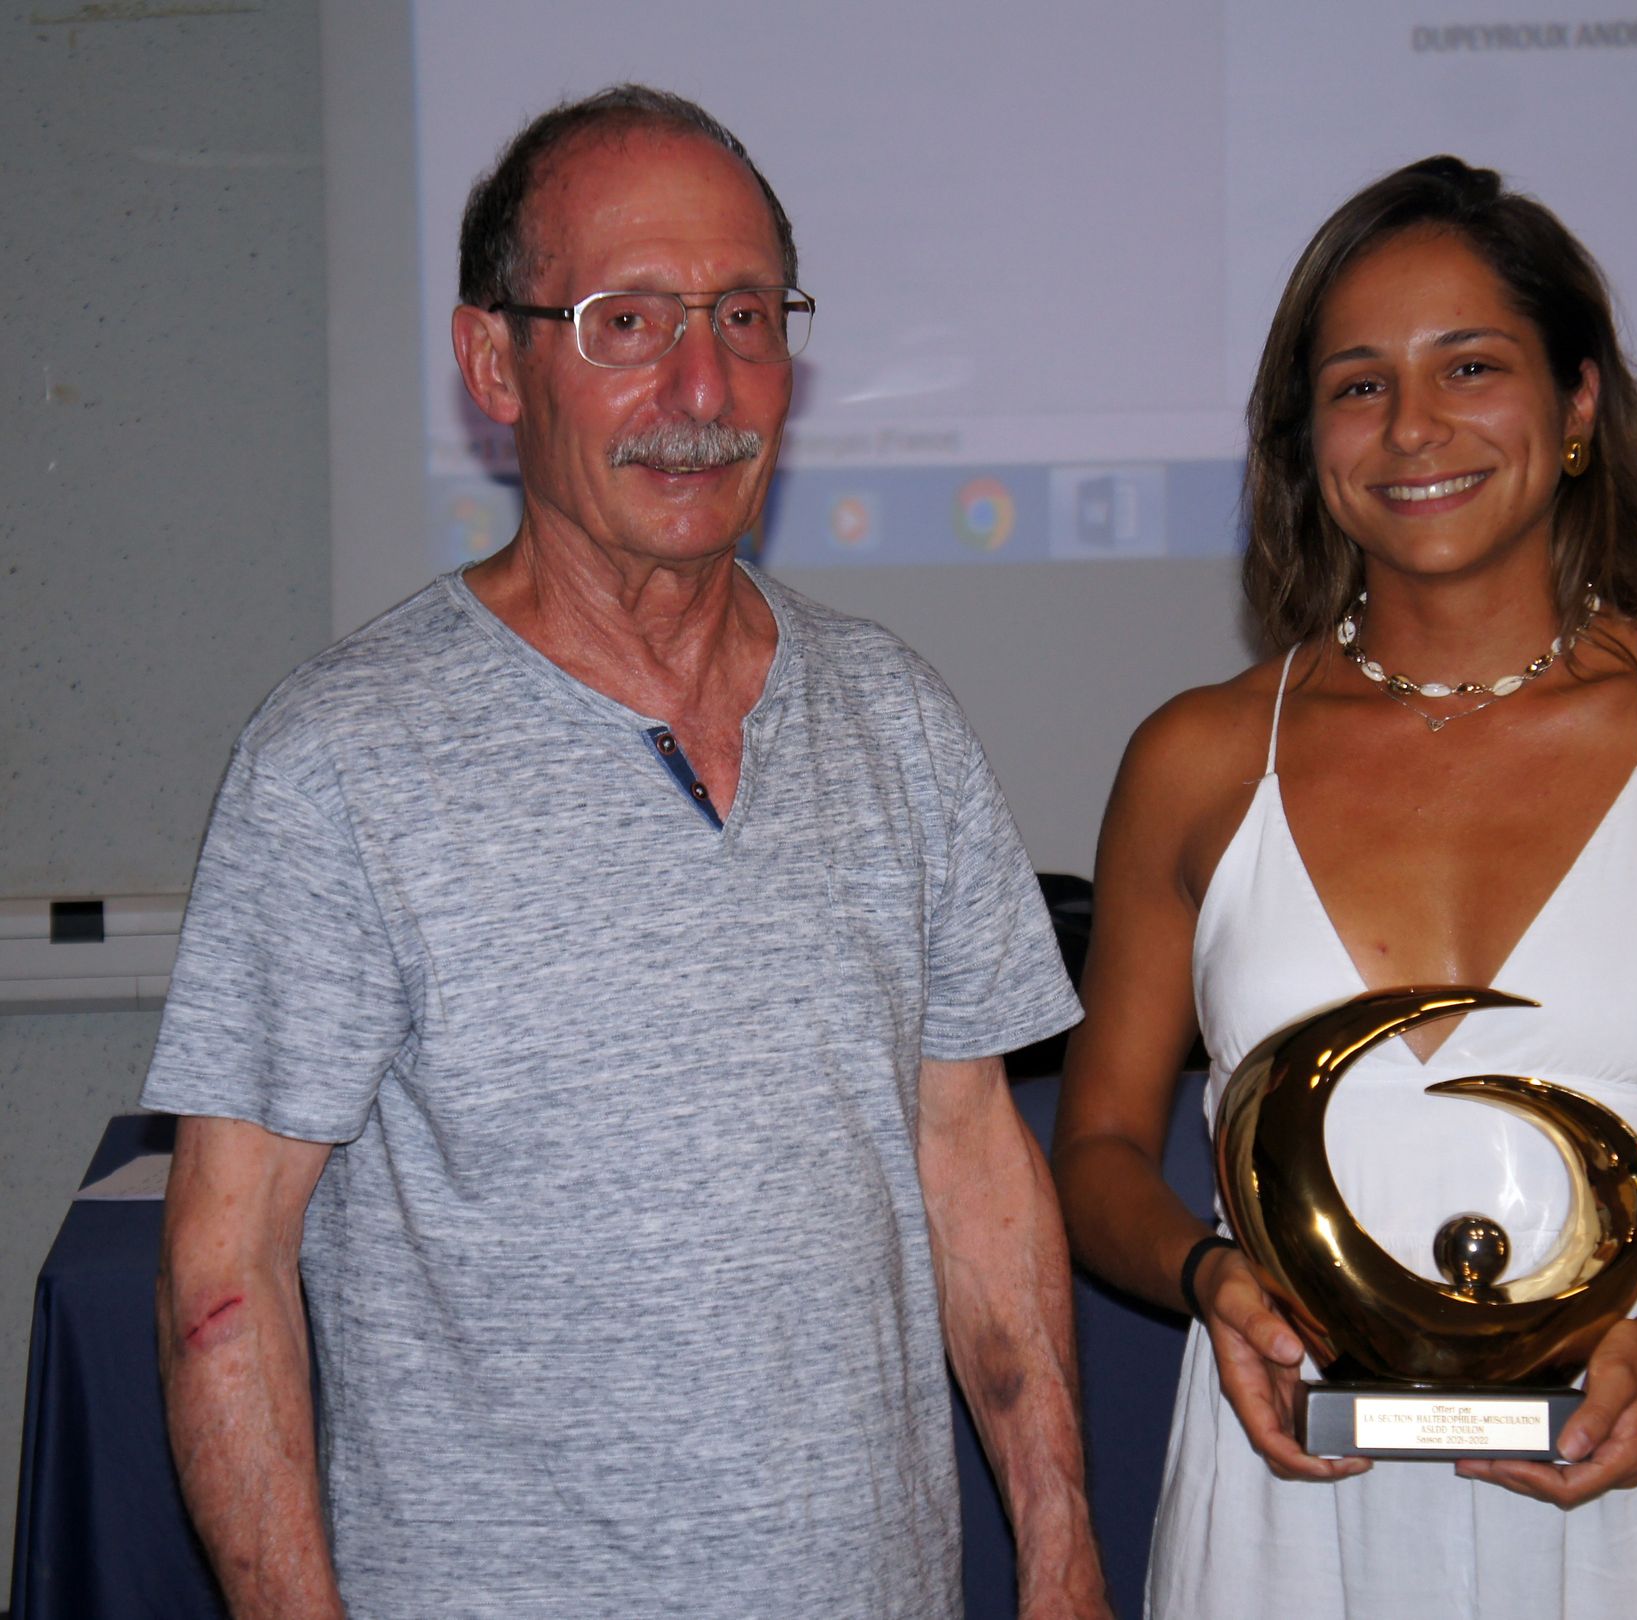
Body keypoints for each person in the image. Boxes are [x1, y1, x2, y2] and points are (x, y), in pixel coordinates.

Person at [145, 86, 1110, 1620]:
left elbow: (975, 1169)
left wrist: (1060, 1554)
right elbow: (225, 1268)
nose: (700, 385)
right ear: (494, 363)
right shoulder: (341, 764)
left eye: (744, 316)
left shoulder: (898, 722)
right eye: (626, 322)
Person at [1051, 155, 1637, 1618]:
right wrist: (1215, 1284)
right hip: (1288, 1499)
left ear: (1577, 405)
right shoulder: (1197, 759)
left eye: (1470, 366)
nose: (1414, 428)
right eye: (1359, 385)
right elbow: (1096, 1150)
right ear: (1307, 441)